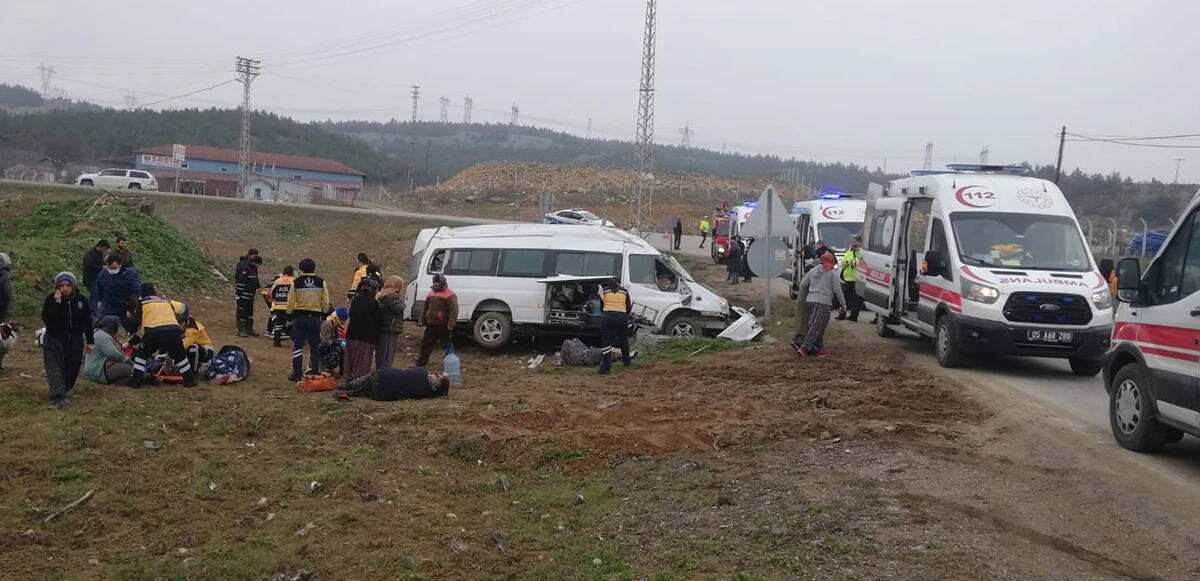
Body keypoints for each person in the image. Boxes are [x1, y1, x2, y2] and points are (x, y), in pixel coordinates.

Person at [41, 272, 94, 410]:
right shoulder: (51, 300)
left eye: (68, 285)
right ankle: (57, 397)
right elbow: (47, 319)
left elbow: (88, 321)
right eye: (62, 285)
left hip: (75, 340)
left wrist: (90, 340)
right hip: (54, 339)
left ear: (73, 285)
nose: (65, 288)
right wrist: (57, 304)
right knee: (55, 368)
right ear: (58, 287)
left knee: (71, 370)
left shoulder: (81, 300)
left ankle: (63, 390)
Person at [127, 284, 196, 387]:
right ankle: (190, 380)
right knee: (180, 355)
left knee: (141, 355)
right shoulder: (166, 301)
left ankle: (136, 380)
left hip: (154, 332)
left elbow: (135, 321)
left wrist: (131, 331)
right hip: (174, 331)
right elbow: (179, 312)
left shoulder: (143, 303)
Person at [286, 258, 332, 382]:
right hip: (315, 317)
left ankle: (297, 373)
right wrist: (324, 313)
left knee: (298, 345)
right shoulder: (321, 282)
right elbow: (325, 301)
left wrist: (289, 315)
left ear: (301, 268)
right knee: (314, 346)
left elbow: (290, 301)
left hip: (300, 317)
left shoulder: (296, 282)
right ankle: (314, 371)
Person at [795, 252, 846, 358]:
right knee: (816, 327)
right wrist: (843, 303)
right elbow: (837, 289)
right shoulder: (831, 273)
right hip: (823, 303)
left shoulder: (812, 271)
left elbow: (803, 284)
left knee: (817, 326)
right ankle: (804, 348)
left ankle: (818, 349)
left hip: (810, 301)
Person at [335, 368, 450, 402]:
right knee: (364, 392)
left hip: (382, 376)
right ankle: (347, 393)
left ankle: (346, 386)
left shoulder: (422, 372)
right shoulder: (426, 393)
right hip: (382, 395)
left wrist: (444, 377)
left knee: (365, 380)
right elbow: (441, 393)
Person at [416, 274, 458, 367]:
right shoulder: (431, 293)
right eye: (434, 282)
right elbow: (425, 307)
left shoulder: (450, 294)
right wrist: (422, 320)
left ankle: (451, 362)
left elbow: (454, 310)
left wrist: (451, 324)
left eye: (437, 283)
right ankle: (421, 363)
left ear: (442, 283)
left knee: (447, 346)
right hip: (431, 324)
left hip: (443, 325)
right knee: (426, 344)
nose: (435, 285)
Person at [345, 279, 383, 380]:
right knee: (362, 360)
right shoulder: (374, 303)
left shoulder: (356, 299)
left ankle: (348, 377)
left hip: (352, 333)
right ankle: (359, 380)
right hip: (366, 336)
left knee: (350, 357)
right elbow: (379, 320)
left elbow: (351, 314)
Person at [83, 316, 133, 386]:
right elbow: (113, 354)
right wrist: (126, 359)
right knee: (129, 368)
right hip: (98, 370)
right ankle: (146, 377)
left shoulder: (97, 333)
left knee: (125, 379)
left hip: (92, 371)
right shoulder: (103, 336)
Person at [598, 278, 633, 375]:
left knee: (607, 343)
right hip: (622, 318)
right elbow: (628, 308)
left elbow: (601, 307)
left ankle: (605, 368)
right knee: (623, 339)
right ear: (619, 283)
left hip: (608, 317)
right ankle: (627, 361)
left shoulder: (604, 291)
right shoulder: (624, 291)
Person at [94, 255, 141, 322]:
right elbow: (99, 287)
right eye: (109, 268)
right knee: (103, 323)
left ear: (120, 265)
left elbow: (137, 290)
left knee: (129, 325)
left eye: (113, 268)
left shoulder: (130, 276)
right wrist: (99, 300)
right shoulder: (103, 274)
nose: (111, 270)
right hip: (108, 305)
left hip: (124, 304)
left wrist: (131, 306)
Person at [376, 275, 407, 369]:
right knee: (388, 353)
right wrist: (404, 302)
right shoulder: (392, 296)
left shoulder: (383, 294)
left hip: (383, 327)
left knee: (381, 352)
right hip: (391, 327)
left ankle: (380, 370)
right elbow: (398, 308)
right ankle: (385, 372)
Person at [179, 305, 214, 375]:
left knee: (193, 348)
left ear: (183, 322)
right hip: (192, 348)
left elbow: (183, 345)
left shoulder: (192, 329)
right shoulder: (183, 326)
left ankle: (191, 372)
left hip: (206, 351)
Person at [836, 236, 863, 322]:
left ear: (860, 244)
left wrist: (854, 262)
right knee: (843, 297)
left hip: (856, 279)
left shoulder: (861, 253)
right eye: (853, 244)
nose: (854, 246)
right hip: (847, 279)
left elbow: (861, 262)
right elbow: (842, 262)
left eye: (856, 245)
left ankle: (853, 316)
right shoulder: (849, 252)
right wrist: (846, 263)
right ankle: (842, 314)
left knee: (856, 299)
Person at [235, 253, 263, 337]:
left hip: (251, 295)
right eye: (258, 264)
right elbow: (240, 282)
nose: (258, 266)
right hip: (243, 295)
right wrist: (238, 294)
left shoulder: (253, 269)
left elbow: (255, 279)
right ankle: (241, 330)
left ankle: (249, 329)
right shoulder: (245, 268)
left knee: (249, 312)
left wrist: (258, 287)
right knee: (241, 312)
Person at [267, 266, 295, 348]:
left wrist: (274, 301)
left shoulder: (278, 281)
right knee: (293, 322)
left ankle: (276, 341)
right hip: (290, 306)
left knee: (278, 323)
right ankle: (295, 341)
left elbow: (270, 293)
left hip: (278, 305)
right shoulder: (294, 281)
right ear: (292, 273)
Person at [81, 239, 110, 318]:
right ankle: (92, 314)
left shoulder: (99, 256)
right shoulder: (90, 255)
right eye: (104, 249)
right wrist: (101, 268)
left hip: (97, 280)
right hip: (90, 280)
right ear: (99, 247)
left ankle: (89, 312)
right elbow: (88, 266)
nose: (104, 251)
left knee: (93, 296)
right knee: (95, 296)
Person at [560, 337, 636, 367]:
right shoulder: (609, 352)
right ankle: (566, 360)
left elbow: (594, 362)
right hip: (586, 352)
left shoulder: (610, 356)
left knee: (567, 342)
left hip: (581, 358)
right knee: (575, 340)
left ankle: (564, 361)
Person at [321, 307, 349, 376]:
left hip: (328, 346)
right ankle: (329, 370)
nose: (343, 323)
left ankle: (342, 370)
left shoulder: (334, 324)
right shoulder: (328, 324)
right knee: (338, 350)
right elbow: (325, 341)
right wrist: (336, 343)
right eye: (343, 320)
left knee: (343, 349)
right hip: (323, 348)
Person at [0, 253, 15, 373]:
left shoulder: (5, 279)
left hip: (2, 314)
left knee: (3, 342)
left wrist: (8, 316)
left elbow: (11, 298)